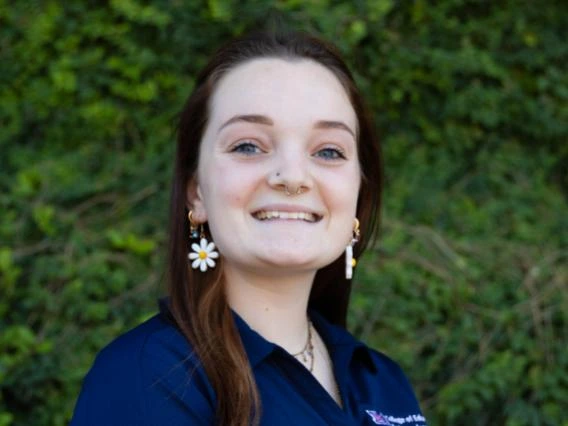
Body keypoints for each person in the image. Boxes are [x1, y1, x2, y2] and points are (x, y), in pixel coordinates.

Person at [71, 30, 427, 426]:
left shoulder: (383, 380)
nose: (292, 177)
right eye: (248, 146)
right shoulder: (147, 377)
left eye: (328, 151)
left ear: (359, 195)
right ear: (197, 194)